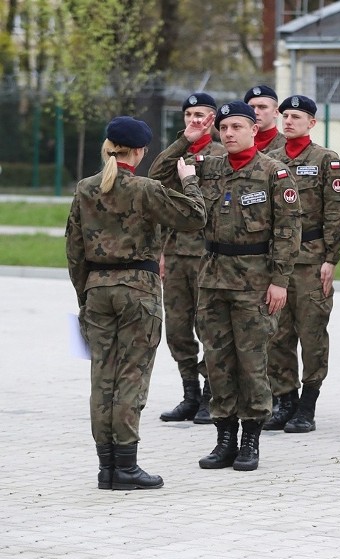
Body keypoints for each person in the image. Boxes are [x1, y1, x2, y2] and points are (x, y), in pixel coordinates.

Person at [66, 116, 207, 490]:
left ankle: (107, 467)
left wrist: (85, 295)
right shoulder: (142, 188)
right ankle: (126, 465)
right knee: (131, 376)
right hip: (138, 291)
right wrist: (190, 181)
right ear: (141, 151)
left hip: (97, 288)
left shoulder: (85, 188)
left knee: (102, 378)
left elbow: (74, 250)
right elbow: (195, 217)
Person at [160, 101, 302, 472]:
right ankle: (224, 438)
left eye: (237, 127)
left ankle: (250, 439)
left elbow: (288, 233)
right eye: (223, 128)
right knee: (219, 361)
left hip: (255, 280)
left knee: (252, 362)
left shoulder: (275, 173)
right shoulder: (207, 167)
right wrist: (185, 140)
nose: (229, 133)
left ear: (254, 129)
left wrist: (279, 281)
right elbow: (158, 177)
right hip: (213, 277)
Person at [264, 95, 340, 433]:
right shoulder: (269, 160)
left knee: (312, 333)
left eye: (296, 117)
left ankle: (307, 404)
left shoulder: (326, 160)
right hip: (278, 261)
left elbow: (336, 213)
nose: (288, 122)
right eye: (285, 116)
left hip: (313, 259)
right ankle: (284, 399)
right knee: (277, 334)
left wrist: (331, 258)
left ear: (312, 123)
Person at [150, 92, 226, 426]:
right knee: (178, 329)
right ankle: (190, 393)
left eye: (202, 115)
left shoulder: (224, 154)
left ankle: (213, 394)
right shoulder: (177, 154)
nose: (194, 120)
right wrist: (184, 141)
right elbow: (154, 178)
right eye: (189, 115)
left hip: (210, 254)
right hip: (178, 254)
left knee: (210, 326)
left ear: (213, 119)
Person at [245, 84, 286, 154]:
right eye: (251, 107)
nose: (255, 112)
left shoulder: (288, 146)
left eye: (262, 107)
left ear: (276, 112)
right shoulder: (237, 143)